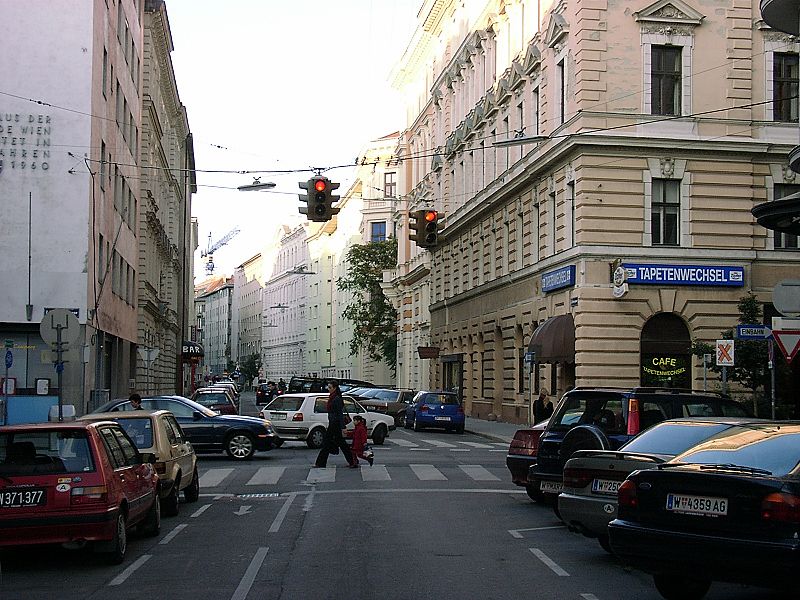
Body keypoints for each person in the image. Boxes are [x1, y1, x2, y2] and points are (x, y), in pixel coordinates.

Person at [314, 382, 356, 468]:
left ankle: (320, 463)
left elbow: (340, 414)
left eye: (330, 387)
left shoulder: (336, 399)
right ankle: (352, 461)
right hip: (333, 423)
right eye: (328, 387)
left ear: (335, 388)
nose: (328, 389)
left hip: (335, 424)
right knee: (340, 443)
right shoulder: (332, 397)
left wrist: (343, 427)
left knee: (327, 443)